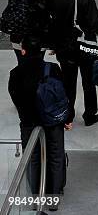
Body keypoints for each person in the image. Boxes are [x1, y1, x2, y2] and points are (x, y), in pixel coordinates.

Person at [8, 35, 68, 212]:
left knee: (32, 160)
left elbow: (16, 98)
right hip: (53, 122)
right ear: (41, 51)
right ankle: (53, 199)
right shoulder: (53, 68)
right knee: (56, 157)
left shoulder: (16, 73)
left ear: (23, 51)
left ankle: (36, 198)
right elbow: (64, 95)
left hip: (29, 123)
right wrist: (67, 117)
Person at [48, 0, 98, 128]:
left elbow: (51, 26)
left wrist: (52, 45)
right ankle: (90, 115)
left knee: (68, 83)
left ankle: (68, 115)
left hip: (64, 50)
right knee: (88, 82)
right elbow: (96, 25)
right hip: (84, 49)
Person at [0, 0, 50, 64]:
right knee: (37, 68)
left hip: (18, 37)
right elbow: (46, 18)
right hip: (37, 40)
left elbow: (11, 10)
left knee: (22, 67)